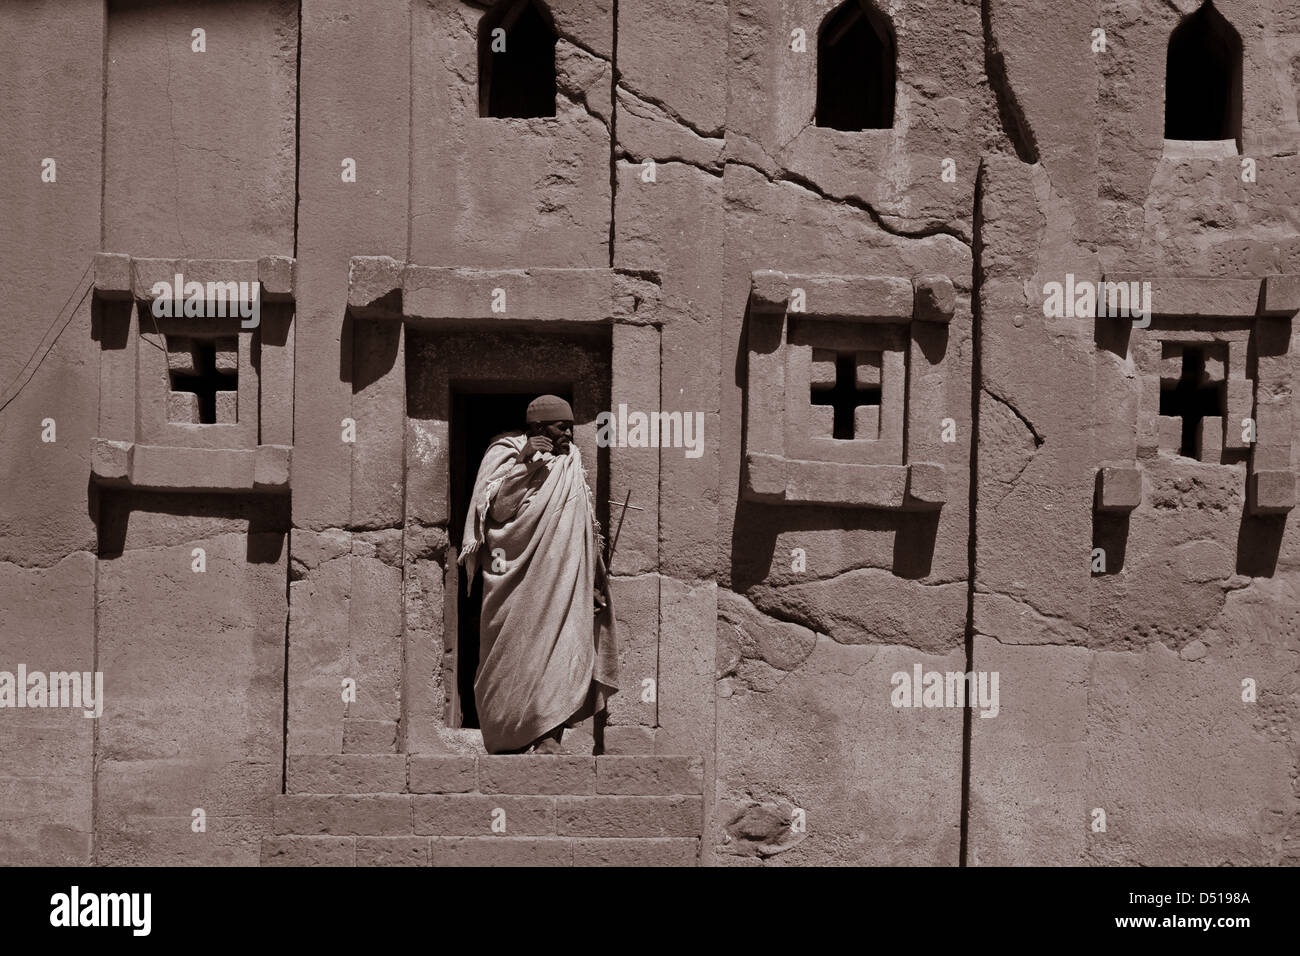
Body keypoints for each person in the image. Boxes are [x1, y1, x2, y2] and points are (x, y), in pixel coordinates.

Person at [459, 395, 618, 754]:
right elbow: (497, 511)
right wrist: (524, 462)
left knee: (564, 650)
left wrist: (591, 580)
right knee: (519, 655)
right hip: (518, 581)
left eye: (571, 427)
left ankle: (550, 736)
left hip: (565, 581)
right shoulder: (506, 452)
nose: (570, 434)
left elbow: (581, 527)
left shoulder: (571, 464)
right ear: (538, 428)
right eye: (562, 427)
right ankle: (512, 733)